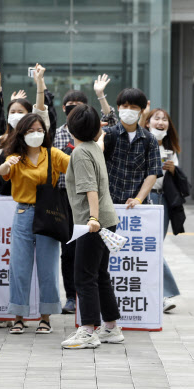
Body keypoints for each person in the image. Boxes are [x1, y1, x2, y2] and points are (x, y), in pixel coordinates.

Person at [0, 110, 70, 335]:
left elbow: (75, 166)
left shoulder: (53, 154)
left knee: (48, 267)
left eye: (40, 130)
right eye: (31, 131)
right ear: (22, 133)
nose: (36, 134)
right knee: (19, 267)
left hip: (48, 213)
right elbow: (2, 173)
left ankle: (45, 317)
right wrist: (7, 164)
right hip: (23, 212)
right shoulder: (14, 156)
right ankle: (18, 317)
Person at [61, 104, 124, 349]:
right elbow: (100, 142)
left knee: (84, 276)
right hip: (106, 220)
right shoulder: (94, 148)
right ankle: (111, 328)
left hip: (93, 223)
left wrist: (93, 219)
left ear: (70, 127)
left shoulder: (80, 153)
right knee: (99, 274)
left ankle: (88, 331)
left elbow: (90, 188)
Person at [0, 63, 51, 200]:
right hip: (1, 200)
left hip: (32, 201)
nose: (16, 115)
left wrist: (40, 84)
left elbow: (41, 112)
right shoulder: (2, 140)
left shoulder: (36, 138)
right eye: (12, 112)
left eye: (20, 112)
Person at [143, 108, 182, 312]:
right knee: (151, 247)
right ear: (147, 122)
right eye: (156, 119)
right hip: (143, 199)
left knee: (154, 246)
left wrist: (173, 169)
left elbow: (176, 178)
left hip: (161, 200)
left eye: (164, 119)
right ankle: (164, 294)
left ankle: (161, 294)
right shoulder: (142, 144)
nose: (161, 122)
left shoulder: (169, 148)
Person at [103, 87, 161, 208]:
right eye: (125, 106)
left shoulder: (150, 139)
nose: (129, 110)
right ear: (118, 108)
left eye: (134, 107)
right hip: (107, 204)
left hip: (136, 207)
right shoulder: (107, 135)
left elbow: (153, 173)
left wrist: (138, 199)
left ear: (141, 111)